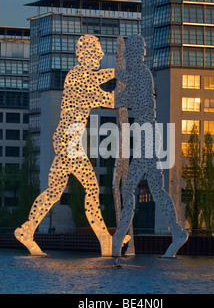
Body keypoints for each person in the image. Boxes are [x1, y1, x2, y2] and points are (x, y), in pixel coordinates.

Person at [15, 35, 123, 256]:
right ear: (86, 55)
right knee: (91, 188)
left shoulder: (79, 74)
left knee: (54, 192)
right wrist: (129, 87)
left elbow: (101, 76)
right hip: (69, 140)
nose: (102, 56)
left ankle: (27, 229)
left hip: (66, 139)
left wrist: (119, 72)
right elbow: (109, 99)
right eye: (97, 52)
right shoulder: (78, 78)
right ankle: (105, 240)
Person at [112, 34, 189, 258]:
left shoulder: (141, 74)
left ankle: (119, 238)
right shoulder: (139, 75)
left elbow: (121, 97)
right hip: (149, 135)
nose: (127, 57)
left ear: (136, 54)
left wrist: (106, 75)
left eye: (129, 54)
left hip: (148, 137)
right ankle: (176, 231)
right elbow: (121, 94)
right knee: (157, 189)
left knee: (128, 188)